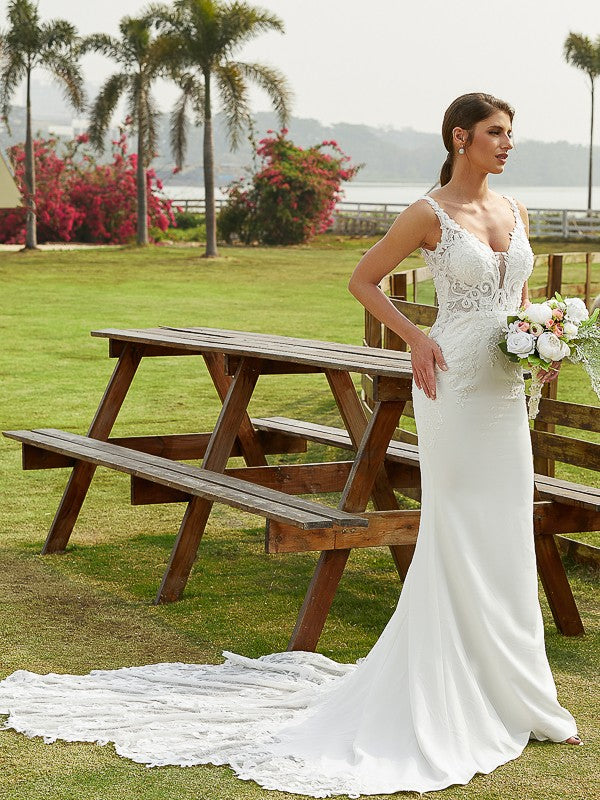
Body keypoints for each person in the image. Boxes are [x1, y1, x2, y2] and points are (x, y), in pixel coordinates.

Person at [0, 92, 582, 797]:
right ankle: (452, 687)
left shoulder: (514, 211)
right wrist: (418, 339)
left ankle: (519, 692)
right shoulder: (428, 214)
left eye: (511, 134)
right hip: (454, 384)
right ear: (461, 138)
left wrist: (543, 339)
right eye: (496, 132)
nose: (507, 143)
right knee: (458, 524)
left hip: (507, 390)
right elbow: (362, 280)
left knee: (504, 526)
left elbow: (517, 302)